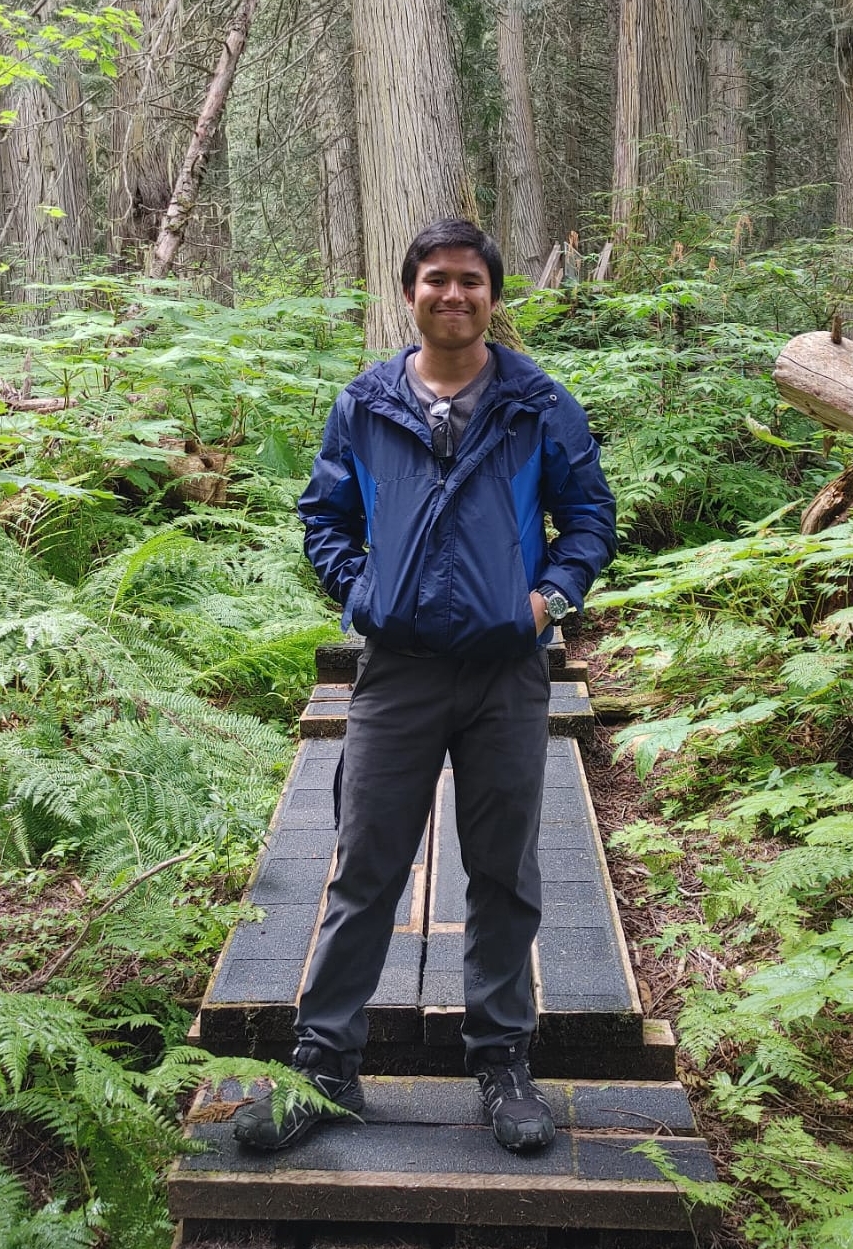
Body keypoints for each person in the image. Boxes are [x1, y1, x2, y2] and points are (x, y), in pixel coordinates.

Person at [232, 219, 616, 1155]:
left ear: (493, 295)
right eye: (436, 280)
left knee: (504, 872)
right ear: (411, 293)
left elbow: (590, 515)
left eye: (471, 281)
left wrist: (551, 597)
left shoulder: (535, 403)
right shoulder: (366, 404)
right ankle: (323, 1065)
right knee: (365, 867)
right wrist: (364, 592)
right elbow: (324, 516)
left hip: (504, 673)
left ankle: (502, 1061)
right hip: (396, 671)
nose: (454, 295)